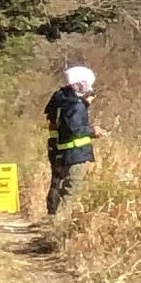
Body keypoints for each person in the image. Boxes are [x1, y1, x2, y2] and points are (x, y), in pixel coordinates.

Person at [44, 63, 98, 215]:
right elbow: (75, 128)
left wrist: (84, 104)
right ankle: (61, 224)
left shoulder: (58, 100)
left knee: (57, 185)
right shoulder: (76, 105)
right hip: (75, 154)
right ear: (80, 84)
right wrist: (93, 131)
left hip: (57, 151)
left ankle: (53, 218)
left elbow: (63, 122)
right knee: (72, 189)